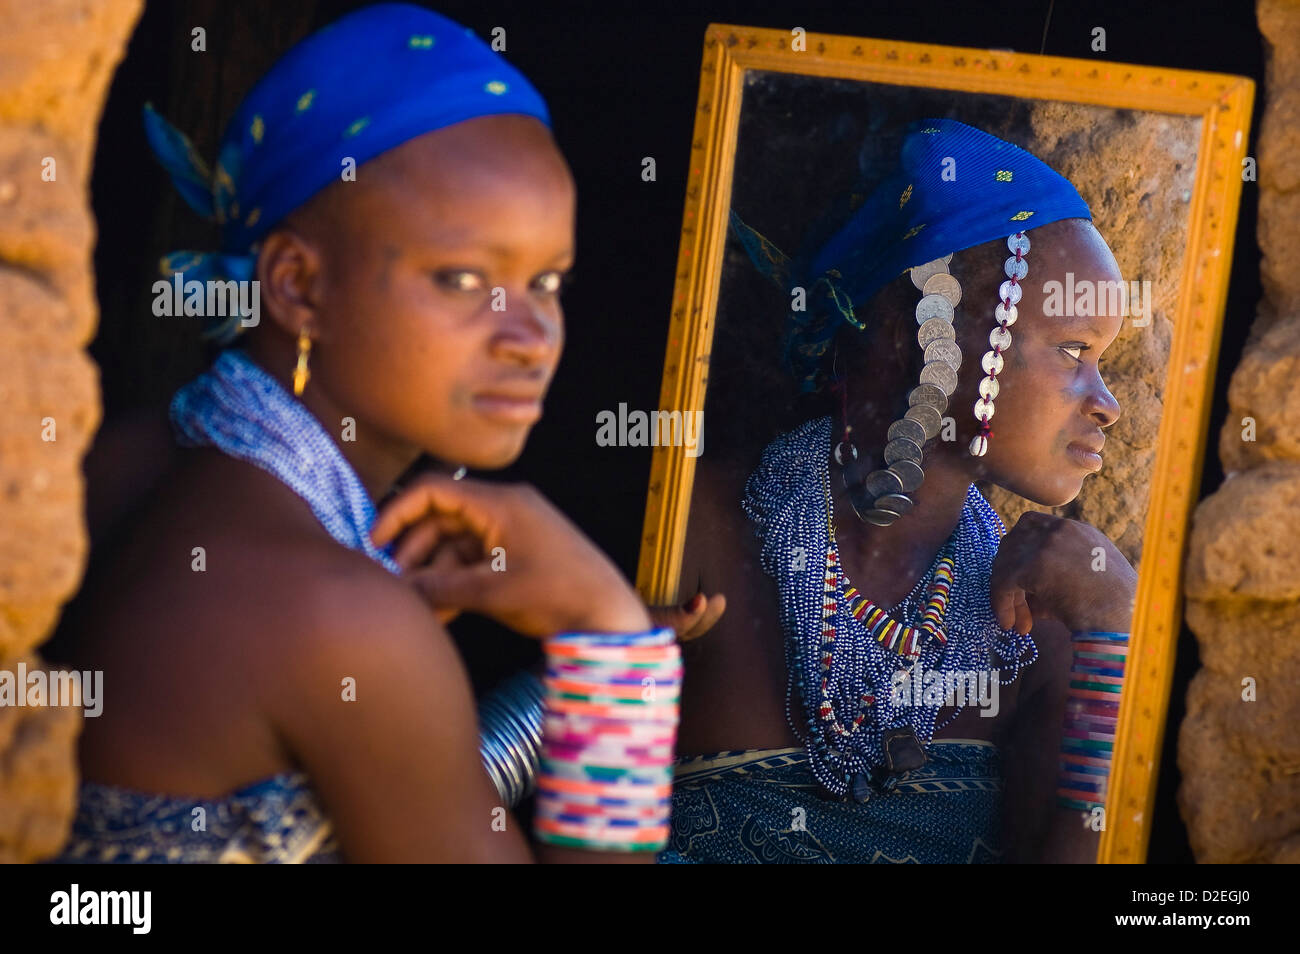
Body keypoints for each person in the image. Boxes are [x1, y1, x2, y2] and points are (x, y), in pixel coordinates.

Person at [45, 3, 678, 864]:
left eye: (547, 280)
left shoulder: (127, 460)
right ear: (299, 286)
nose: (530, 335)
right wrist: (610, 646)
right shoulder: (339, 620)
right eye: (461, 278)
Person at [660, 118, 1136, 864]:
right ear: (921, 332)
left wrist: (1116, 632)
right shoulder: (695, 536)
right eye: (1073, 350)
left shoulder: (1044, 633)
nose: (1107, 402)